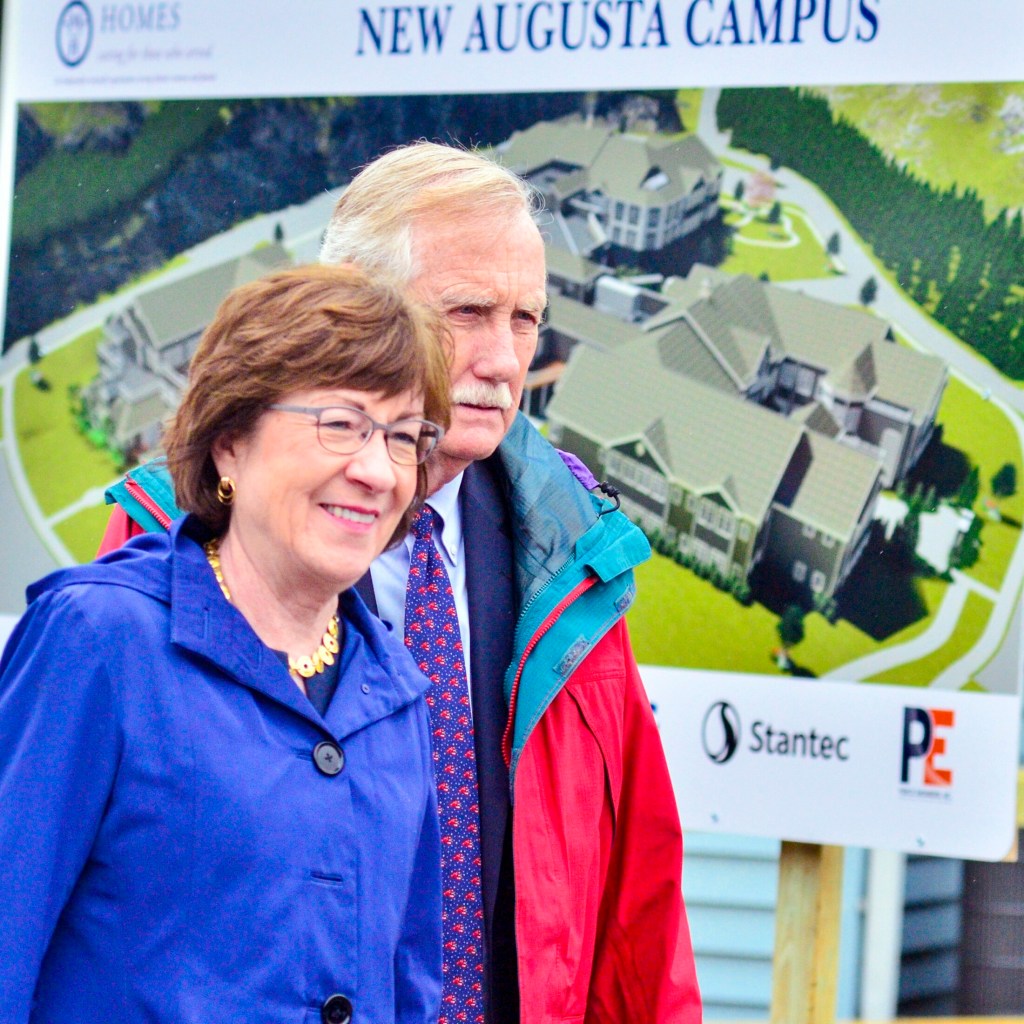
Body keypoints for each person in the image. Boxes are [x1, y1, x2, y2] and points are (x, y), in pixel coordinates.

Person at [99, 144, 702, 1023]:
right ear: (350, 308)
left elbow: (636, 908)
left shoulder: (576, 550)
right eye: (467, 311)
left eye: (526, 319)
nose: (505, 360)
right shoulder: (176, 538)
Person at [0, 264, 452, 1024]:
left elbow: (410, 992)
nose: (377, 470)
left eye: (405, 437)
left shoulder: (394, 692)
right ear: (229, 442)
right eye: (340, 423)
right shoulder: (101, 642)